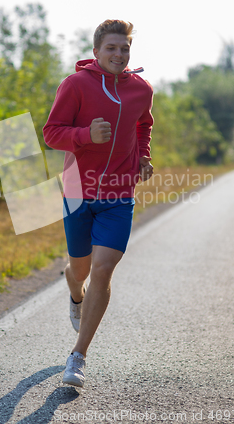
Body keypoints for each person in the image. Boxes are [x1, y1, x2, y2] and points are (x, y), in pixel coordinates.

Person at [43, 19, 154, 387]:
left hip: (119, 194)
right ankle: (75, 291)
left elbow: (142, 125)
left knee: (104, 268)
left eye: (124, 49)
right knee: (81, 271)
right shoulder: (75, 85)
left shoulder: (141, 90)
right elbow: (51, 133)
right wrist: (85, 135)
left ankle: (78, 355)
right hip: (78, 191)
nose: (119, 55)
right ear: (96, 52)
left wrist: (142, 155)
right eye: (112, 48)